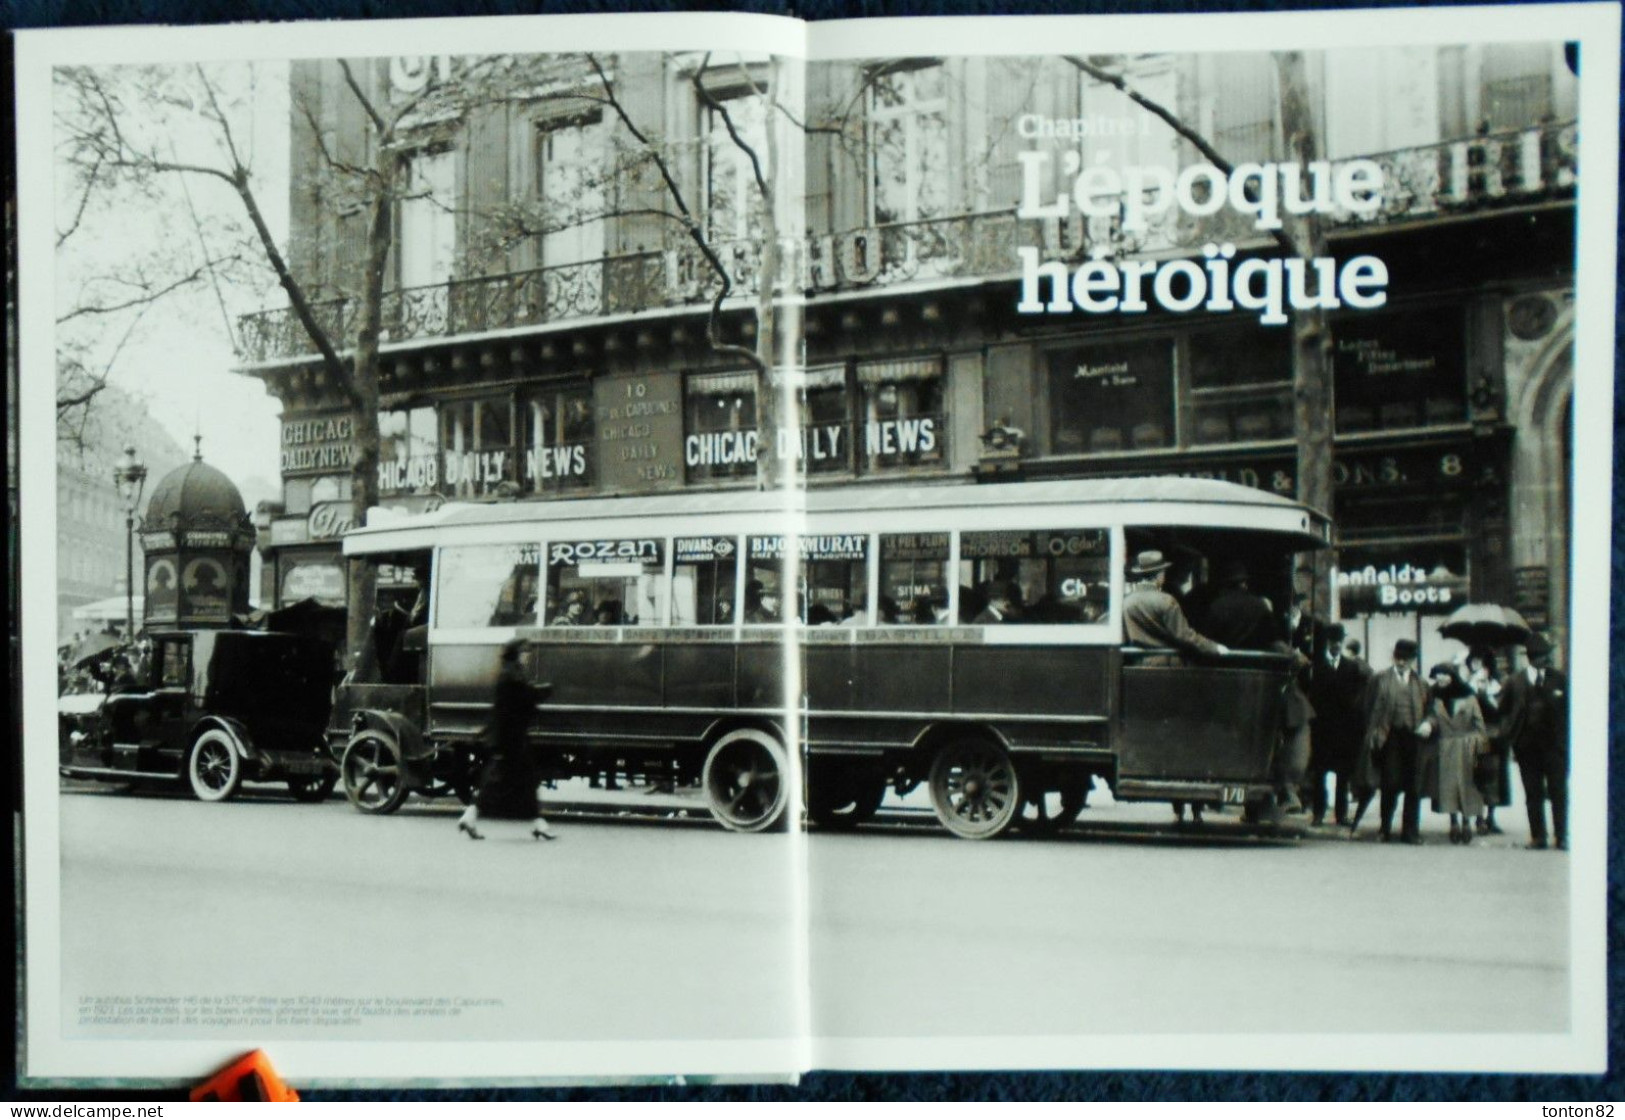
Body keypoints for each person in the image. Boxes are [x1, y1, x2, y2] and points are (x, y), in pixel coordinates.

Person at [458, 639, 555, 842]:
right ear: (515, 654)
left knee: (517, 782)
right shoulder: (510, 676)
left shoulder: (512, 673)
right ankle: (537, 823)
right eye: (524, 652)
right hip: (511, 740)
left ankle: (472, 816)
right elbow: (512, 706)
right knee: (514, 782)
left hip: (513, 739)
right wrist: (542, 692)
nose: (528, 656)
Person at [1352, 638, 1432, 844]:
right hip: (1389, 737)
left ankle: (1410, 832)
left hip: (1414, 739)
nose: (1402, 662)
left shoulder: (1422, 684)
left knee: (1413, 786)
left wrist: (1429, 724)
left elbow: (1432, 711)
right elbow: (1366, 707)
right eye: (1398, 657)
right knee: (1390, 784)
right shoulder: (1379, 680)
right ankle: (1384, 828)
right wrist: (1372, 732)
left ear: (1413, 660)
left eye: (1406, 659)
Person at [1500, 635, 1569, 851]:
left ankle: (1562, 836)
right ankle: (1538, 837)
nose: (1546, 661)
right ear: (1531, 658)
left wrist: (1565, 743)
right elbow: (1503, 711)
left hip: (1554, 747)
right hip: (1526, 747)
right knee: (1533, 793)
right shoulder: (1515, 682)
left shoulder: (1560, 680)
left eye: (1547, 657)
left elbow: (1570, 711)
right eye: (1542, 657)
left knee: (1559, 792)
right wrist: (1512, 736)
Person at [1306, 622, 1366, 827]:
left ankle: (1341, 815)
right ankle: (1318, 813)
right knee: (1319, 775)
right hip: (1321, 728)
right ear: (1327, 643)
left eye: (1339, 642)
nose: (1336, 646)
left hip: (1343, 730)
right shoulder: (1316, 667)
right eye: (1333, 642)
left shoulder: (1352, 667)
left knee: (1343, 776)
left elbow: (1358, 699)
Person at [1123, 550, 1229, 665]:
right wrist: (1214, 647)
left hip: (1138, 665)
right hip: (1167, 666)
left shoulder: (1127, 602)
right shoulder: (1166, 601)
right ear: (1159, 575)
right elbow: (1184, 636)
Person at [1425, 662, 1487, 844]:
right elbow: (1433, 718)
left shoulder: (1468, 697)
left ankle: (1467, 821)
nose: (1440, 679)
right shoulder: (1434, 698)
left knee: (1467, 786)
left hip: (1467, 747)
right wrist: (1429, 725)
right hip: (1445, 748)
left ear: (1452, 676)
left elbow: (1479, 725)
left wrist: (1479, 746)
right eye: (1437, 676)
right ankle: (1453, 822)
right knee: (1449, 787)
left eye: (1444, 675)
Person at [1464, 647, 1507, 836]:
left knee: (1493, 776)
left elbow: (1500, 710)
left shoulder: (1498, 685)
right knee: (1474, 777)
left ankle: (1490, 815)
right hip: (1473, 735)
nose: (1477, 667)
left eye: (1480, 663)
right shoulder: (1468, 684)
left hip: (1493, 736)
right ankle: (1478, 816)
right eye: (1473, 662)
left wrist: (1486, 695)